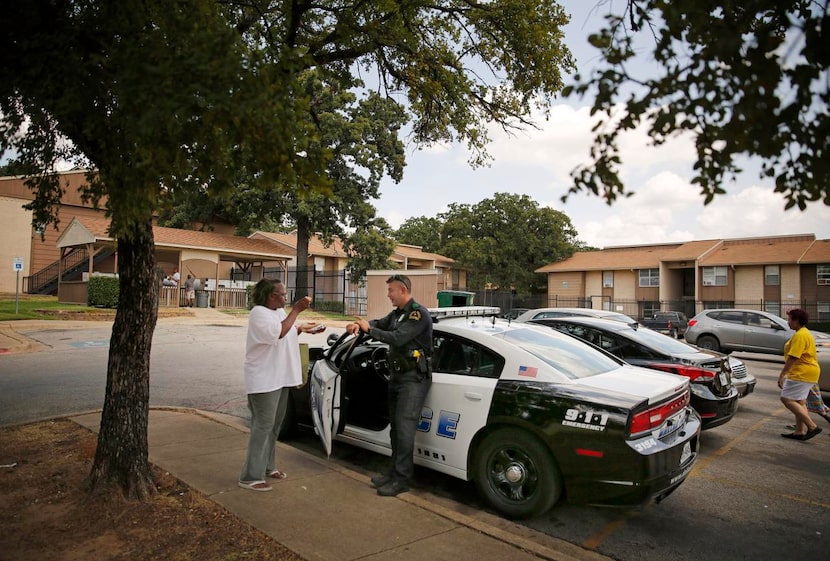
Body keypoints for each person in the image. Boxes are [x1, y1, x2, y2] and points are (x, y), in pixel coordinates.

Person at [346, 274, 433, 497]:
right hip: (397, 377)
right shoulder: (398, 314)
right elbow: (379, 323)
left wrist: (369, 330)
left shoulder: (417, 314)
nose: (388, 295)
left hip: (413, 379)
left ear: (403, 290)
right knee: (396, 429)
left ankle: (402, 480)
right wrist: (359, 325)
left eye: (391, 291)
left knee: (404, 431)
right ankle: (393, 474)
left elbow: (397, 338)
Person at [238, 279, 317, 492]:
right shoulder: (258, 313)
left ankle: (268, 466)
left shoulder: (279, 312)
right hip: (264, 380)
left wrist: (301, 329)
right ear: (270, 296)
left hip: (280, 377)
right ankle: (249, 476)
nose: (285, 297)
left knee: (274, 426)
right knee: (262, 427)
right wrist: (297, 310)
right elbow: (278, 333)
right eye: (281, 294)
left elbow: (286, 332)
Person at [777, 308, 822, 441]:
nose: (788, 322)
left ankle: (812, 426)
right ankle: (799, 431)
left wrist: (782, 375)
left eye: (790, 319)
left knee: (786, 399)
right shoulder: (805, 333)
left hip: (801, 372)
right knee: (799, 401)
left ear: (797, 321)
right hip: (809, 372)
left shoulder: (800, 335)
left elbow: (793, 357)